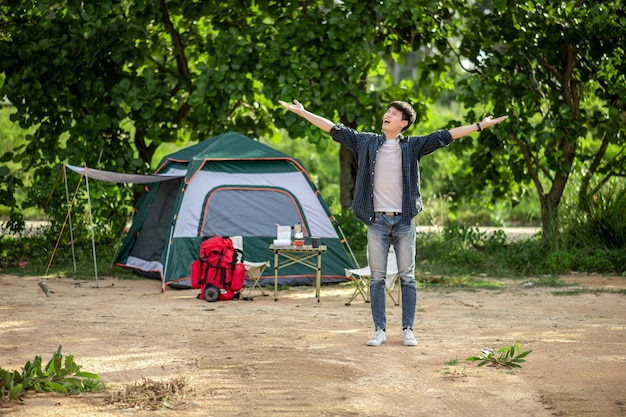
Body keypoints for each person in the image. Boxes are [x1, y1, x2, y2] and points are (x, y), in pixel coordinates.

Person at [279, 99, 508, 346]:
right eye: (388, 111)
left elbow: (446, 136)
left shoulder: (413, 146)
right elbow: (335, 129)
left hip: (404, 221)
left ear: (404, 123)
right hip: (376, 220)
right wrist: (303, 113)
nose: (387, 114)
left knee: (407, 276)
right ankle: (380, 330)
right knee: (377, 278)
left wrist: (479, 125)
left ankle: (408, 329)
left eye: (394, 113)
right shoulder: (366, 142)